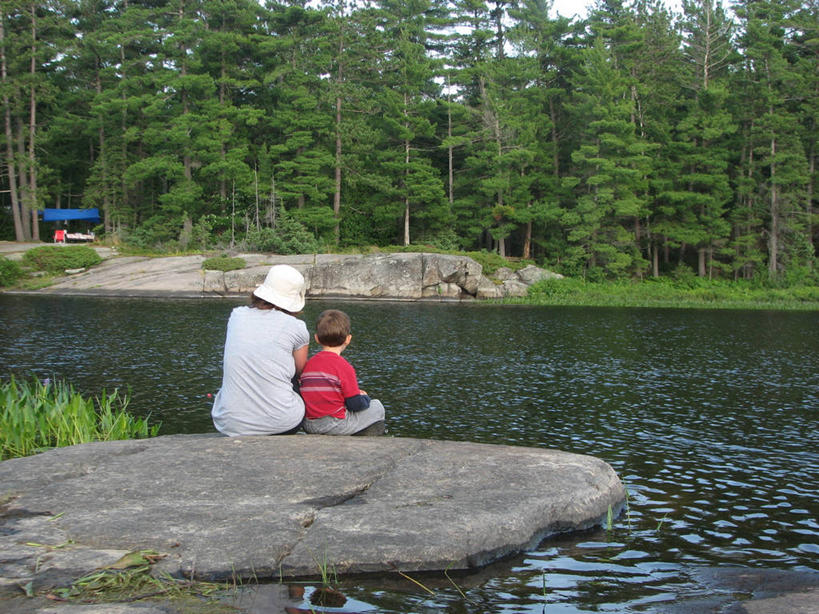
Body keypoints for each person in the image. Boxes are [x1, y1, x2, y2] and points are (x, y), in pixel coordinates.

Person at [211, 264, 309, 436]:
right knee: (293, 373)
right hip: (283, 424)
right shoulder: (297, 326)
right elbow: (301, 370)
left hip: (229, 424)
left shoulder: (236, 315)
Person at [299, 309, 386, 435]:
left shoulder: (308, 364)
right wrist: (365, 397)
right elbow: (355, 404)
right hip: (334, 425)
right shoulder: (344, 367)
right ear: (348, 339)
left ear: (317, 338)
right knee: (377, 406)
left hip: (309, 424)